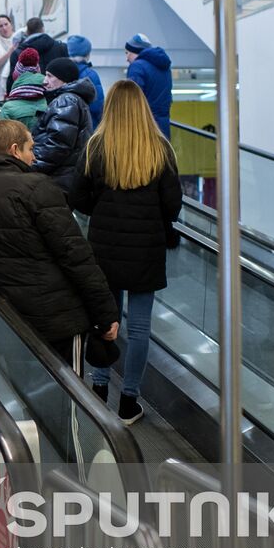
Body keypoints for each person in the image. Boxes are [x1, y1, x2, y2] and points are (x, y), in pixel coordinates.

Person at [0, 120, 119, 364]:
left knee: (27, 398)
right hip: (58, 321)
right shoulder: (37, 188)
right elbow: (75, 256)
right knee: (68, 397)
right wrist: (105, 314)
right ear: (14, 149)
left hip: (7, 323)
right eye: (31, 148)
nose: (34, 156)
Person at [71, 80, 183, 425]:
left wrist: (103, 210)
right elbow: (172, 204)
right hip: (146, 250)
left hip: (104, 248)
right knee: (139, 329)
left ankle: (100, 387)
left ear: (111, 108)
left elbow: (78, 197)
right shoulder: (160, 149)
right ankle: (129, 400)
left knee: (105, 319)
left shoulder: (96, 147)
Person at [32, 57, 97, 202]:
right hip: (66, 177)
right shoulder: (73, 99)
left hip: (59, 179)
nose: (44, 81)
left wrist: (30, 165)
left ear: (64, 79)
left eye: (50, 76)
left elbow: (58, 144)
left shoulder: (66, 101)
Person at [124, 33, 173, 138]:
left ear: (135, 52)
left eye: (127, 53)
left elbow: (133, 100)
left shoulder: (137, 67)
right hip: (163, 126)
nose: (127, 58)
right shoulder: (165, 67)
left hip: (145, 126)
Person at [0, 49, 48, 131]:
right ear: (38, 72)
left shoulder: (7, 108)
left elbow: (4, 140)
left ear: (16, 76)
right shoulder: (54, 99)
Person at [65, 35, 105, 127]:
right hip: (89, 127)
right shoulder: (91, 75)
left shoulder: (61, 71)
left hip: (67, 128)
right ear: (87, 54)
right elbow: (98, 106)